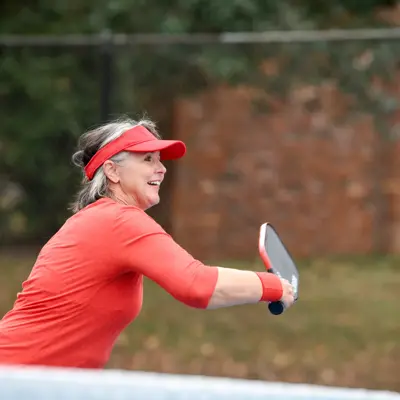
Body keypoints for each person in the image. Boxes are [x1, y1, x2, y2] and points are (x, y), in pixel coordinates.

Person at [0, 116, 294, 369]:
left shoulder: (102, 220)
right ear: (113, 172)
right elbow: (197, 285)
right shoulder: (119, 221)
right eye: (147, 159)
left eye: (160, 160)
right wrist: (275, 286)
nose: (161, 168)